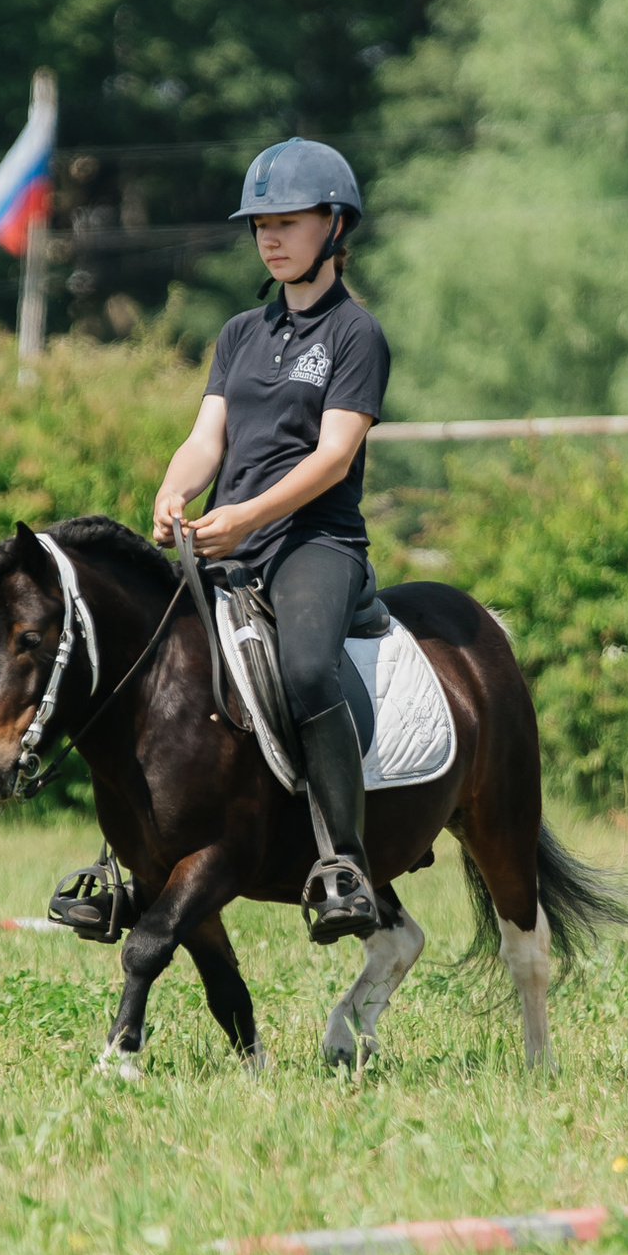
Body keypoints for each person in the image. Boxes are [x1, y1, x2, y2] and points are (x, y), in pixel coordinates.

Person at [151, 138, 389, 944]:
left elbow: (334, 457)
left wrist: (248, 516)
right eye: (261, 226)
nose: (271, 239)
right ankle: (129, 858)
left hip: (314, 543)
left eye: (287, 222)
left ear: (334, 225)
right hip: (228, 539)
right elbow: (205, 439)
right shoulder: (240, 333)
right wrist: (174, 487)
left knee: (307, 665)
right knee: (149, 659)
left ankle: (346, 862)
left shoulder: (357, 335)